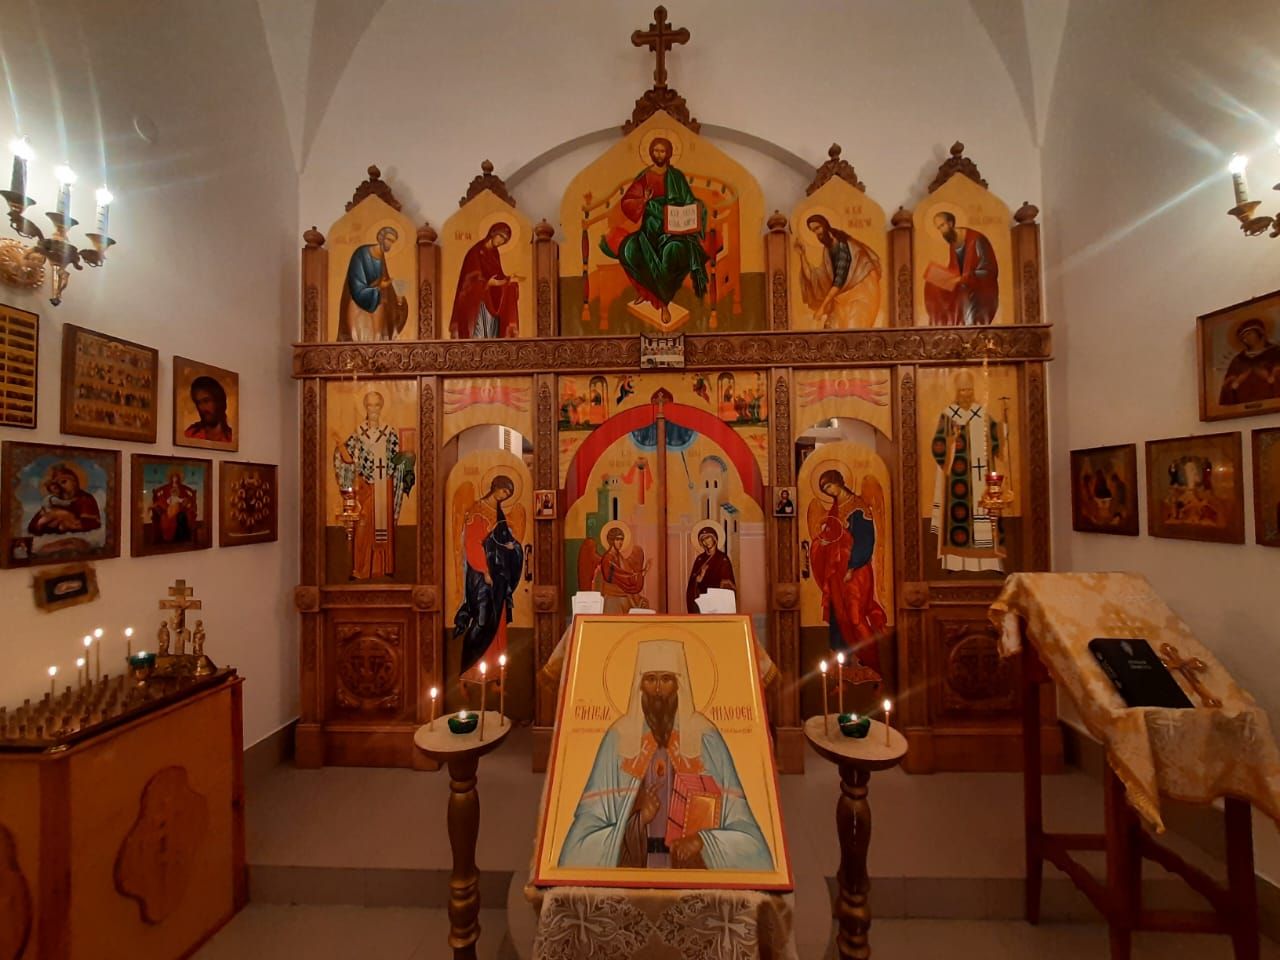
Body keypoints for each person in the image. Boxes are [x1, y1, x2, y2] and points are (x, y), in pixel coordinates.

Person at [558, 640, 773, 871]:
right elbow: (581, 841)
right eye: (651, 679)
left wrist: (703, 841)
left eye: (666, 679)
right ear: (640, 685)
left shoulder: (706, 739)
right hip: (636, 868)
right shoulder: (618, 740)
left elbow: (746, 834)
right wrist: (637, 819)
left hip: (691, 870)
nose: (658, 689)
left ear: (679, 684)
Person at [601, 137, 708, 327]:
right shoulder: (645, 176)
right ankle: (646, 293)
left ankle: (664, 303)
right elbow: (628, 201)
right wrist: (643, 200)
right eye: (656, 151)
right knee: (629, 250)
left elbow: (689, 200)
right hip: (650, 229)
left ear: (669, 153)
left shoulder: (677, 177)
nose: (659, 155)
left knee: (670, 255)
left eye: (662, 151)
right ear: (651, 153)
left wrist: (692, 211)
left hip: (674, 230)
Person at [809, 470, 887, 672]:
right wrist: (823, 542)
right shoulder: (835, 508)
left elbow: (866, 541)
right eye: (825, 489)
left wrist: (852, 567)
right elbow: (833, 535)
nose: (829, 491)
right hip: (837, 570)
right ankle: (843, 662)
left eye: (829, 486)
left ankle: (872, 662)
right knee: (838, 614)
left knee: (855, 616)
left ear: (838, 482)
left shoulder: (858, 506)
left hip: (856, 571)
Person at [332, 391, 415, 579]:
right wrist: (339, 444)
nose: (373, 409)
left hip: (384, 485)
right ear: (365, 407)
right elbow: (348, 458)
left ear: (382, 407)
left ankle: (383, 568)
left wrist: (406, 461)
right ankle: (361, 569)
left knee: (384, 526)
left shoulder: (389, 432)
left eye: (377, 405)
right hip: (365, 487)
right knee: (362, 526)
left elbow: (396, 460)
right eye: (370, 405)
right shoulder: (359, 432)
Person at [930, 371, 1004, 572]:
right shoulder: (948, 415)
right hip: (958, 480)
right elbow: (937, 446)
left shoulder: (982, 414)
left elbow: (996, 441)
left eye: (969, 390)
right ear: (957, 392)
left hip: (982, 479)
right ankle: (955, 562)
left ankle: (988, 563)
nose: (966, 394)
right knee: (958, 520)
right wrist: (951, 442)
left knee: (985, 515)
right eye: (962, 390)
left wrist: (1002, 427)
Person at [453, 475, 524, 675]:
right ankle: (472, 668)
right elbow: (472, 544)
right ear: (495, 487)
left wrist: (512, 546)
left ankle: (495, 669)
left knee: (497, 620)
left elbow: (502, 538)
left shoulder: (499, 513)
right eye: (504, 491)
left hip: (498, 576)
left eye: (508, 494)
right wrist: (484, 571)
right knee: (483, 620)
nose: (504, 496)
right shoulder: (478, 511)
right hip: (481, 577)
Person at [794, 214, 882, 329]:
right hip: (842, 297)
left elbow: (839, 280)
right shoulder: (828, 250)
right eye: (813, 231)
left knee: (852, 330)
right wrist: (802, 255)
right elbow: (815, 278)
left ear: (825, 225)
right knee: (830, 328)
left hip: (861, 295)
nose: (817, 233)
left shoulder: (843, 245)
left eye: (817, 228)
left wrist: (822, 308)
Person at [923, 212, 999, 326]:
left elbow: (989, 270)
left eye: (942, 225)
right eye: (939, 228)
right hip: (962, 282)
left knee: (962, 292)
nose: (942, 231)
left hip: (979, 286)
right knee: (932, 281)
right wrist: (947, 279)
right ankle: (940, 324)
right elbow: (954, 268)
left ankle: (962, 324)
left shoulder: (977, 239)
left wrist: (965, 278)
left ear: (951, 223)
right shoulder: (954, 242)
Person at [449, 222, 523, 338]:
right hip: (477, 301)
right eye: (501, 236)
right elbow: (469, 280)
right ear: (493, 233)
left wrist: (509, 280)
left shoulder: (494, 253)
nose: (501, 241)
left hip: (492, 299)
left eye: (504, 240)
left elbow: (498, 276)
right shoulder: (475, 252)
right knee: (481, 333)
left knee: (492, 333)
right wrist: (486, 283)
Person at [338, 225, 408, 341]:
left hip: (375, 295)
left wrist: (398, 298)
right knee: (369, 303)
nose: (390, 244)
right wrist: (379, 287)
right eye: (389, 240)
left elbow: (384, 283)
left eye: (392, 242)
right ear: (381, 237)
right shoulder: (361, 253)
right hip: (358, 297)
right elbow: (356, 282)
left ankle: (378, 343)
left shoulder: (381, 257)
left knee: (382, 305)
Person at [1219, 317, 1280, 405]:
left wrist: (1270, 377)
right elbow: (1227, 387)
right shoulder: (1238, 360)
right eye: (1243, 337)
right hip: (1243, 404)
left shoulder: (1276, 352)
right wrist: (1236, 382)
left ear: (1260, 332)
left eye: (1249, 334)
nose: (1245, 339)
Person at [26, 463, 101, 535]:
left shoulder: (85, 499)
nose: (61, 487)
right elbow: (33, 526)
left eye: (64, 482)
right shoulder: (55, 500)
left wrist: (67, 520)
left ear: (74, 482)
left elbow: (93, 524)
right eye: (57, 485)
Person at [593, 524, 650, 614]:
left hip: (623, 598)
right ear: (611, 540)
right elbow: (620, 575)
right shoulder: (607, 559)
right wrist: (637, 575)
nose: (620, 542)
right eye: (617, 539)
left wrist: (640, 574)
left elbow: (626, 574)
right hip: (613, 600)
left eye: (622, 539)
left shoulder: (620, 557)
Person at [685, 525, 736, 613]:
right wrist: (699, 578)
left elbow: (728, 583)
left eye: (708, 538)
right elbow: (692, 584)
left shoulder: (722, 558)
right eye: (703, 540)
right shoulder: (700, 559)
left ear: (714, 538)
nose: (706, 541)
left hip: (717, 600)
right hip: (702, 600)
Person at [150, 468, 198, 543]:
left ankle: (182, 537)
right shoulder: (167, 488)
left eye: (176, 477)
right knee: (168, 517)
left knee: (182, 516)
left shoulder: (182, 488)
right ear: (171, 478)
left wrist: (185, 502)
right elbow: (164, 499)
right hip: (169, 509)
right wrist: (166, 504)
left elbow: (185, 498)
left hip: (180, 508)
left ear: (179, 478)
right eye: (174, 477)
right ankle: (171, 537)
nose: (175, 479)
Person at [183, 376, 233, 444]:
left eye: (206, 401)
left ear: (218, 401)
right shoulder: (190, 434)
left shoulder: (231, 437)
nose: (201, 408)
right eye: (198, 403)